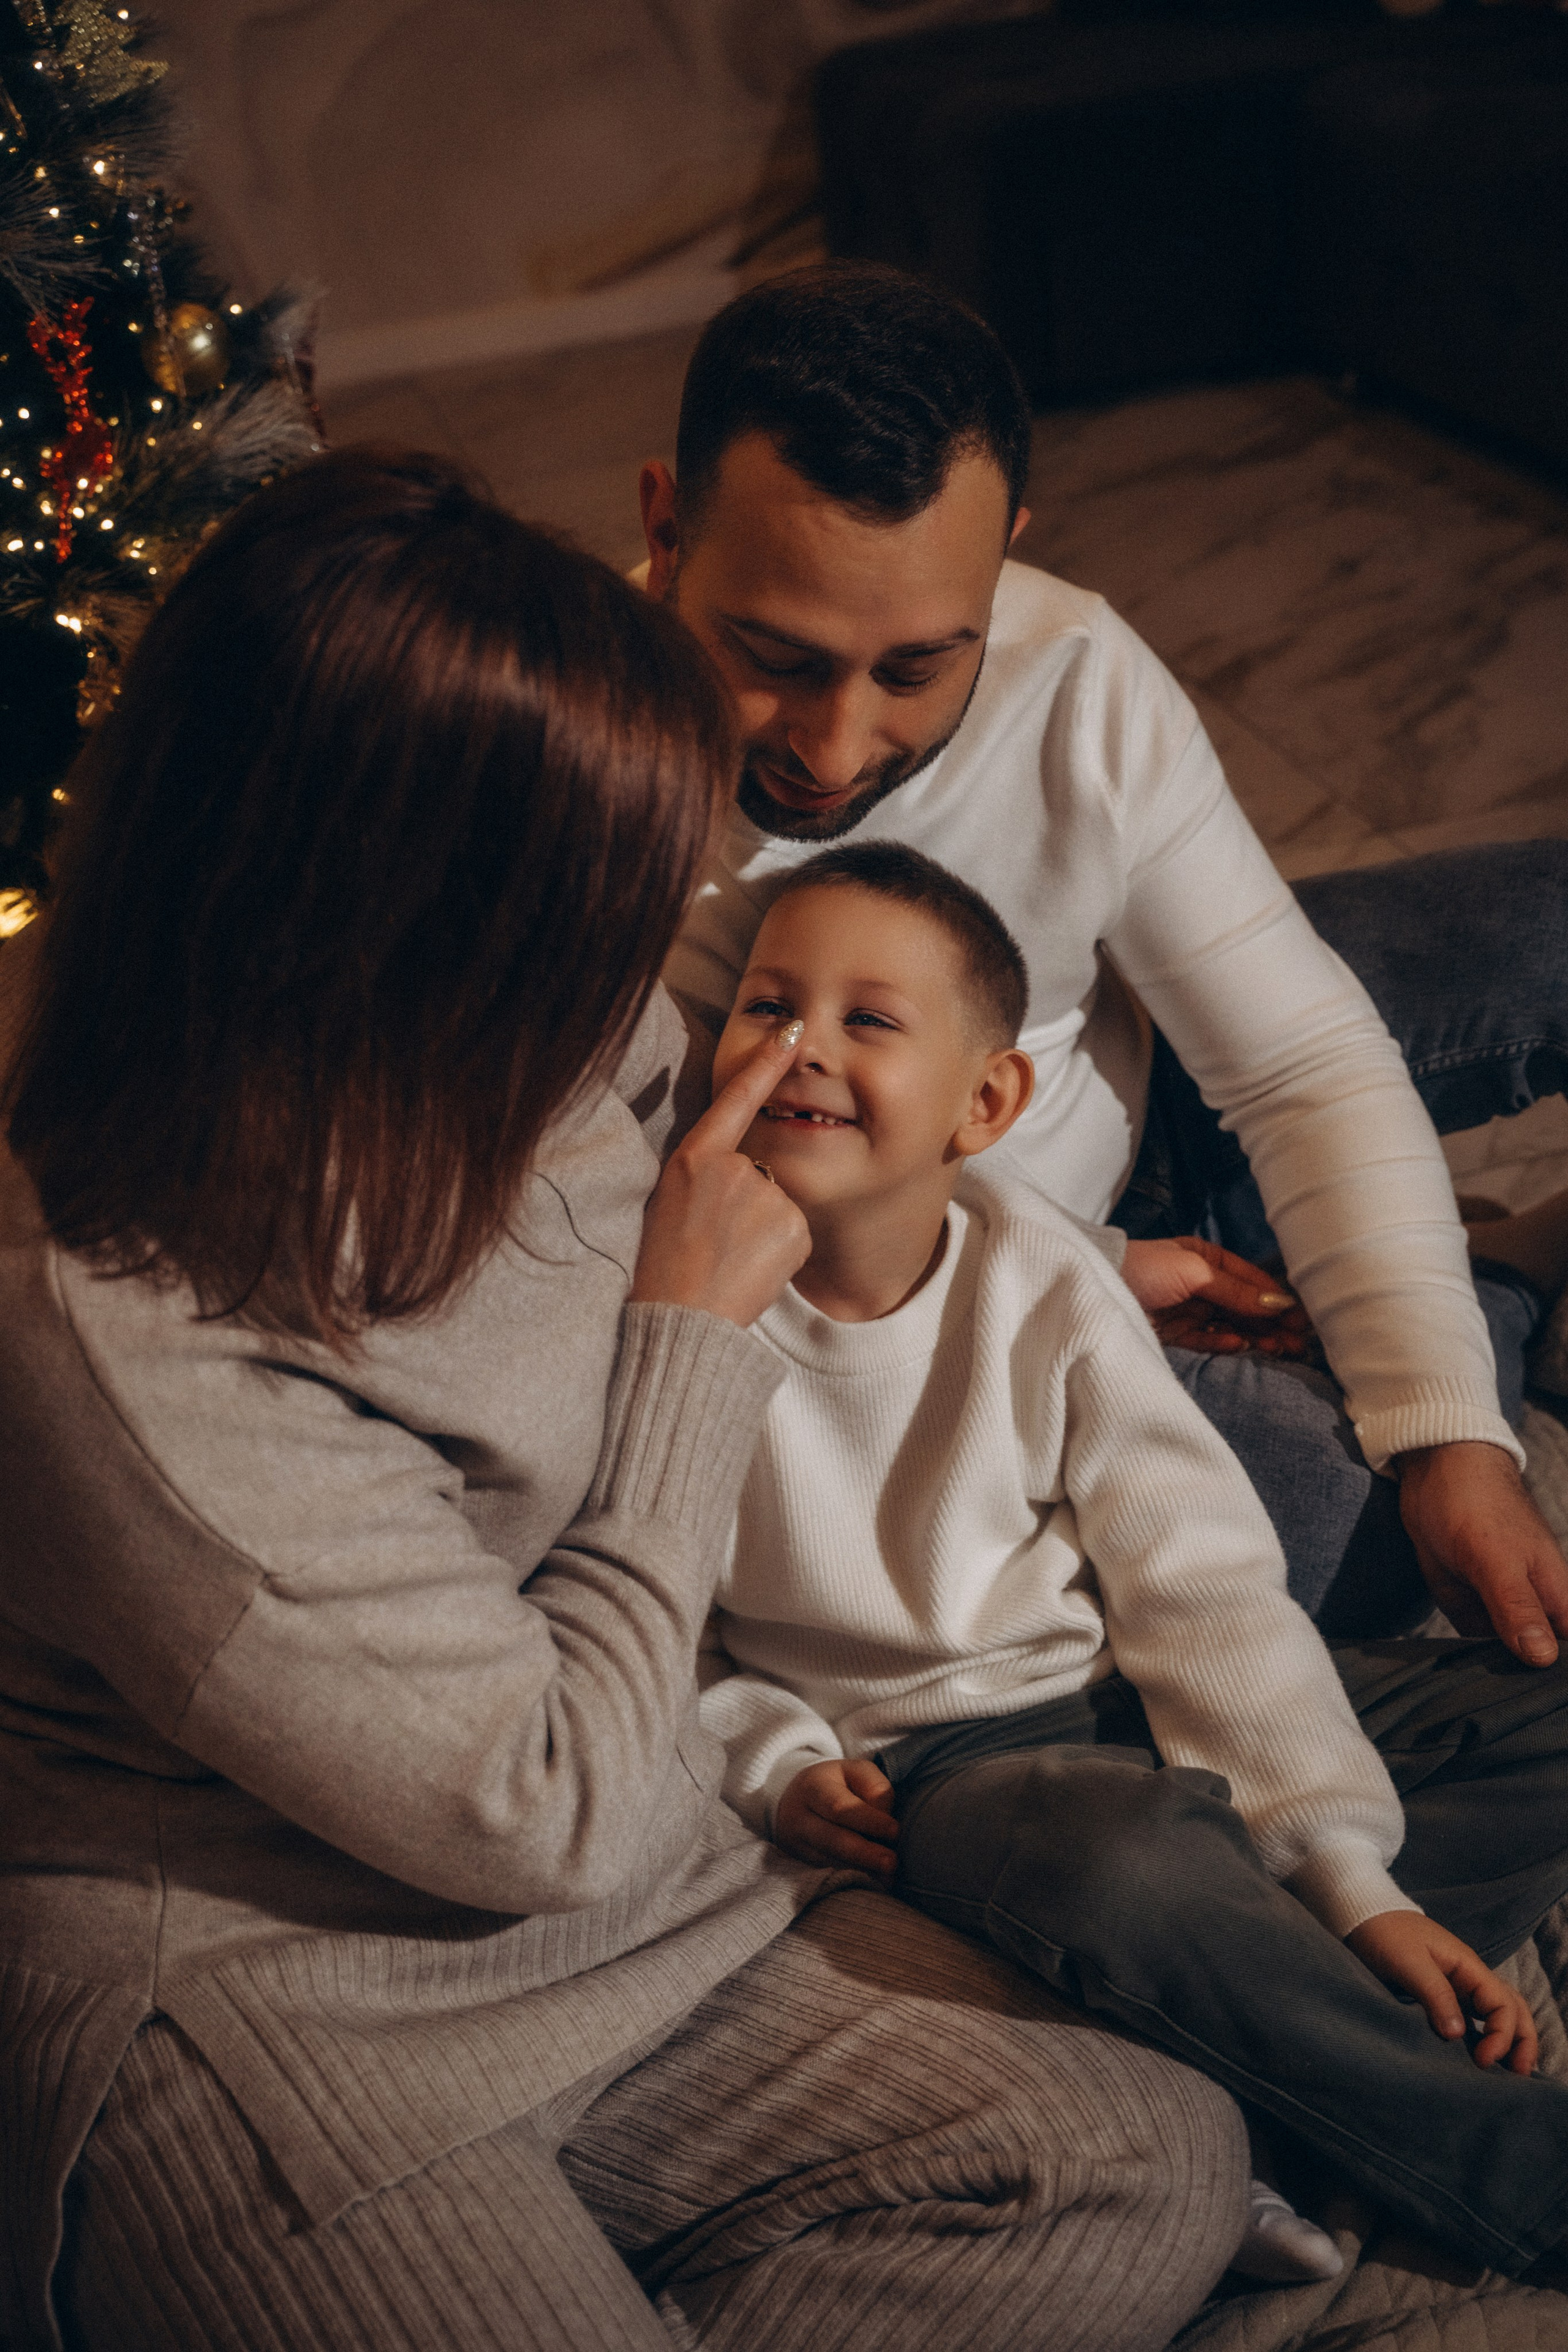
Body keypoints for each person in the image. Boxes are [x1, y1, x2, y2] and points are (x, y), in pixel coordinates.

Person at [0, 451, 1249, 2352]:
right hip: (263, 1977)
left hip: (636, 1881)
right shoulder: (114, 1317)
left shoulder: (550, 1022)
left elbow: (780, 1190)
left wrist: (1038, 1260)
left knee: (1148, 2161)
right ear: (381, 919)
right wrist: (686, 1343)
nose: (673, 904)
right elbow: (542, 1808)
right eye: (603, 881)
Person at [651, 260, 1568, 1664]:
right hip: (971, 1299)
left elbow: (1297, 1055)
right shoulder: (556, 767)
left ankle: (1406, 1295)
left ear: (1003, 550)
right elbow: (669, 1258)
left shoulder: (1070, 661)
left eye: (913, 670)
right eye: (770, 655)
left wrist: (1448, 1425)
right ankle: (1495, 1277)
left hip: (1145, 1100)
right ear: (663, 528)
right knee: (1352, 1540)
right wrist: (1091, 1261)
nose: (833, 751)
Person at [698, 842, 1568, 2285]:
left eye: (867, 1019)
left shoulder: (1037, 1270)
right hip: (943, 1773)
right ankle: (1503, 2166)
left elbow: (1198, 1582)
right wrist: (773, 1757)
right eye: (765, 1007)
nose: (800, 1050)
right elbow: (663, 1620)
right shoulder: (691, 1311)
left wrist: (1353, 1882)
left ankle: (1277, 2056)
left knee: (1530, 1719)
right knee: (1120, 1868)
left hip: (1117, 1699)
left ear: (983, 1104)